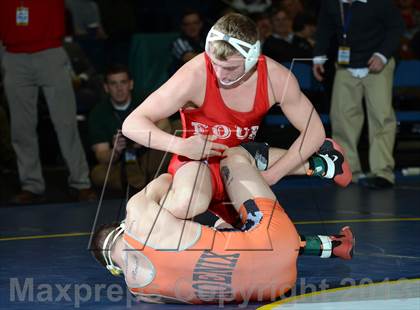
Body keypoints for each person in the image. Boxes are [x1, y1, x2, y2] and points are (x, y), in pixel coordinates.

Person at [123, 13, 351, 223]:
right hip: (196, 160)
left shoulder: (276, 78)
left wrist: (273, 175)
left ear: (252, 58)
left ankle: (319, 163)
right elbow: (132, 124)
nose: (220, 75)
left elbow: (314, 131)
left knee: (259, 223)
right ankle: (318, 163)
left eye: (230, 67)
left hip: (239, 160)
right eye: (215, 63)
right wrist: (180, 144)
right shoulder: (194, 75)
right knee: (188, 203)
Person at [90, 145, 355, 304]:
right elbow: (167, 181)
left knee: (226, 236)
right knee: (233, 157)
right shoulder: (137, 213)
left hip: (274, 287)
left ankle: (331, 246)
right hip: (273, 239)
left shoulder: (138, 289)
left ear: (114, 269)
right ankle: (325, 164)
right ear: (121, 227)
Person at [0, 0, 96, 204]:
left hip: (50, 52)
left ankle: (81, 182)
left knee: (65, 123)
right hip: (13, 56)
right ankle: (31, 185)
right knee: (21, 128)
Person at [313, 0, 404, 189]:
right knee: (342, 117)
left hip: (377, 63)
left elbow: (396, 27)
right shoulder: (331, 3)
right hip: (346, 64)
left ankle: (382, 172)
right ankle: (348, 170)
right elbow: (324, 28)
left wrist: (383, 54)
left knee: (381, 117)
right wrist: (319, 57)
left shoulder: (380, 3)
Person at [88, 64, 173, 191]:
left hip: (148, 155)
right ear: (106, 87)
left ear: (131, 84)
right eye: (113, 84)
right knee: (98, 174)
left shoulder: (143, 100)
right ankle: (148, 181)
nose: (119, 88)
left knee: (178, 129)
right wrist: (116, 150)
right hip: (120, 163)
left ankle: (141, 181)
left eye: (123, 82)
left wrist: (143, 138)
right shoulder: (98, 113)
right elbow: (101, 155)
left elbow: (165, 124)